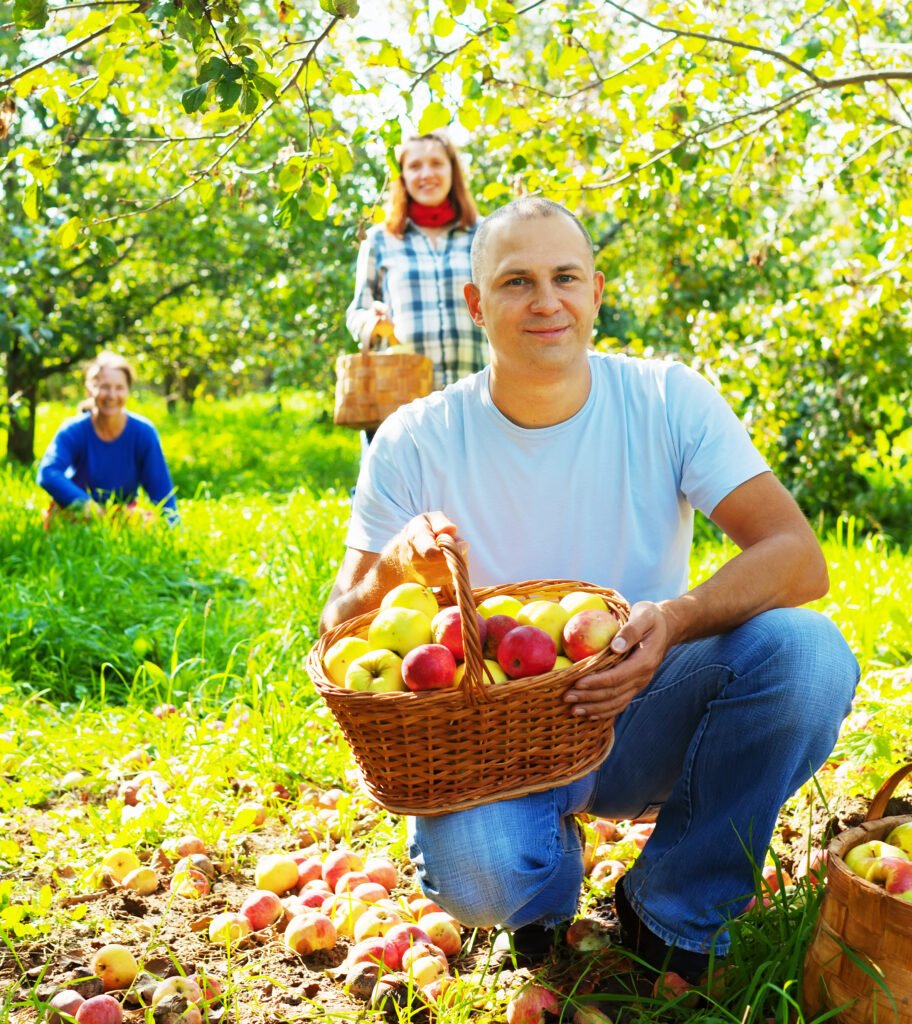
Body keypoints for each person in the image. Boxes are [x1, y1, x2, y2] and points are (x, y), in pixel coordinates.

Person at [320, 197, 859, 982]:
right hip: (489, 738)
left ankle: (673, 906)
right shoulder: (415, 438)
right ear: (476, 303)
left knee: (809, 655)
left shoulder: (665, 399)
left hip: (641, 701)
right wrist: (398, 569)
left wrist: (675, 620)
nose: (547, 301)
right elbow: (337, 619)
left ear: (597, 293)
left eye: (565, 277)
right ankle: (541, 898)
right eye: (517, 282)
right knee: (479, 875)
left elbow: (797, 556)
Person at [346, 131, 488, 396]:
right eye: (414, 166)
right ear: (402, 176)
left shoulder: (485, 234)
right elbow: (357, 312)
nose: (426, 174)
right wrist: (372, 322)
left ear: (452, 170)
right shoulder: (379, 239)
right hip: (401, 398)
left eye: (436, 163)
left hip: (476, 395)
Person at [37, 351, 178, 526]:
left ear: (128, 391)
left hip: (122, 515)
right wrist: (86, 505)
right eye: (104, 387)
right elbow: (48, 472)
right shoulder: (74, 430)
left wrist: (174, 533)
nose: (112, 395)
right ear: (89, 390)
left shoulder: (143, 432)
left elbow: (162, 491)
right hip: (77, 513)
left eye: (119, 388)